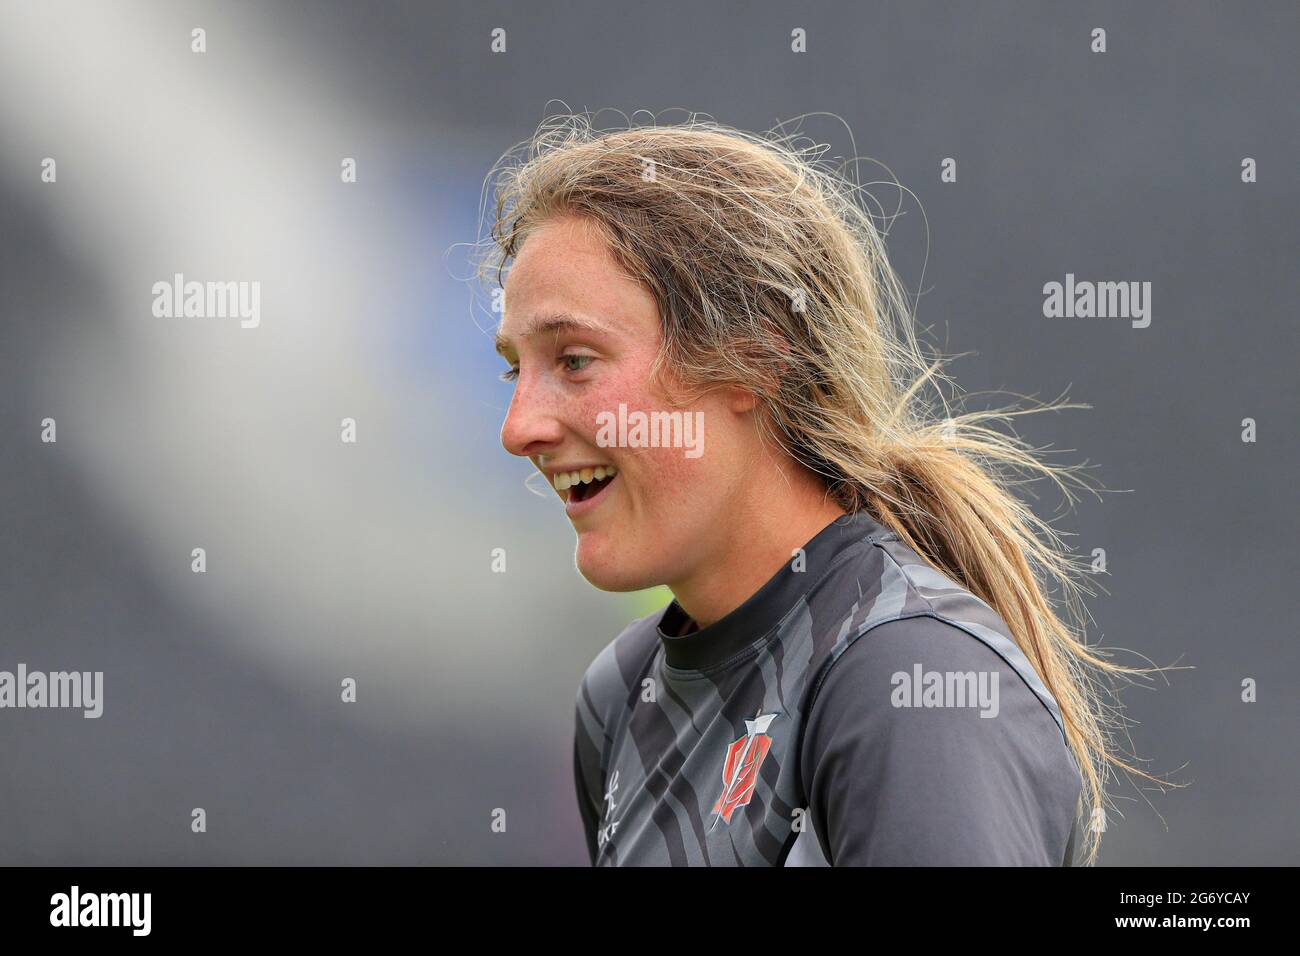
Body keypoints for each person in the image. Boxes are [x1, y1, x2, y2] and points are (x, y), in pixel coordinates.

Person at [484, 115, 1158, 866]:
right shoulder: (621, 695)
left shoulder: (908, 681)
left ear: (752, 359)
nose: (520, 428)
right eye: (518, 368)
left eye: (575, 361)